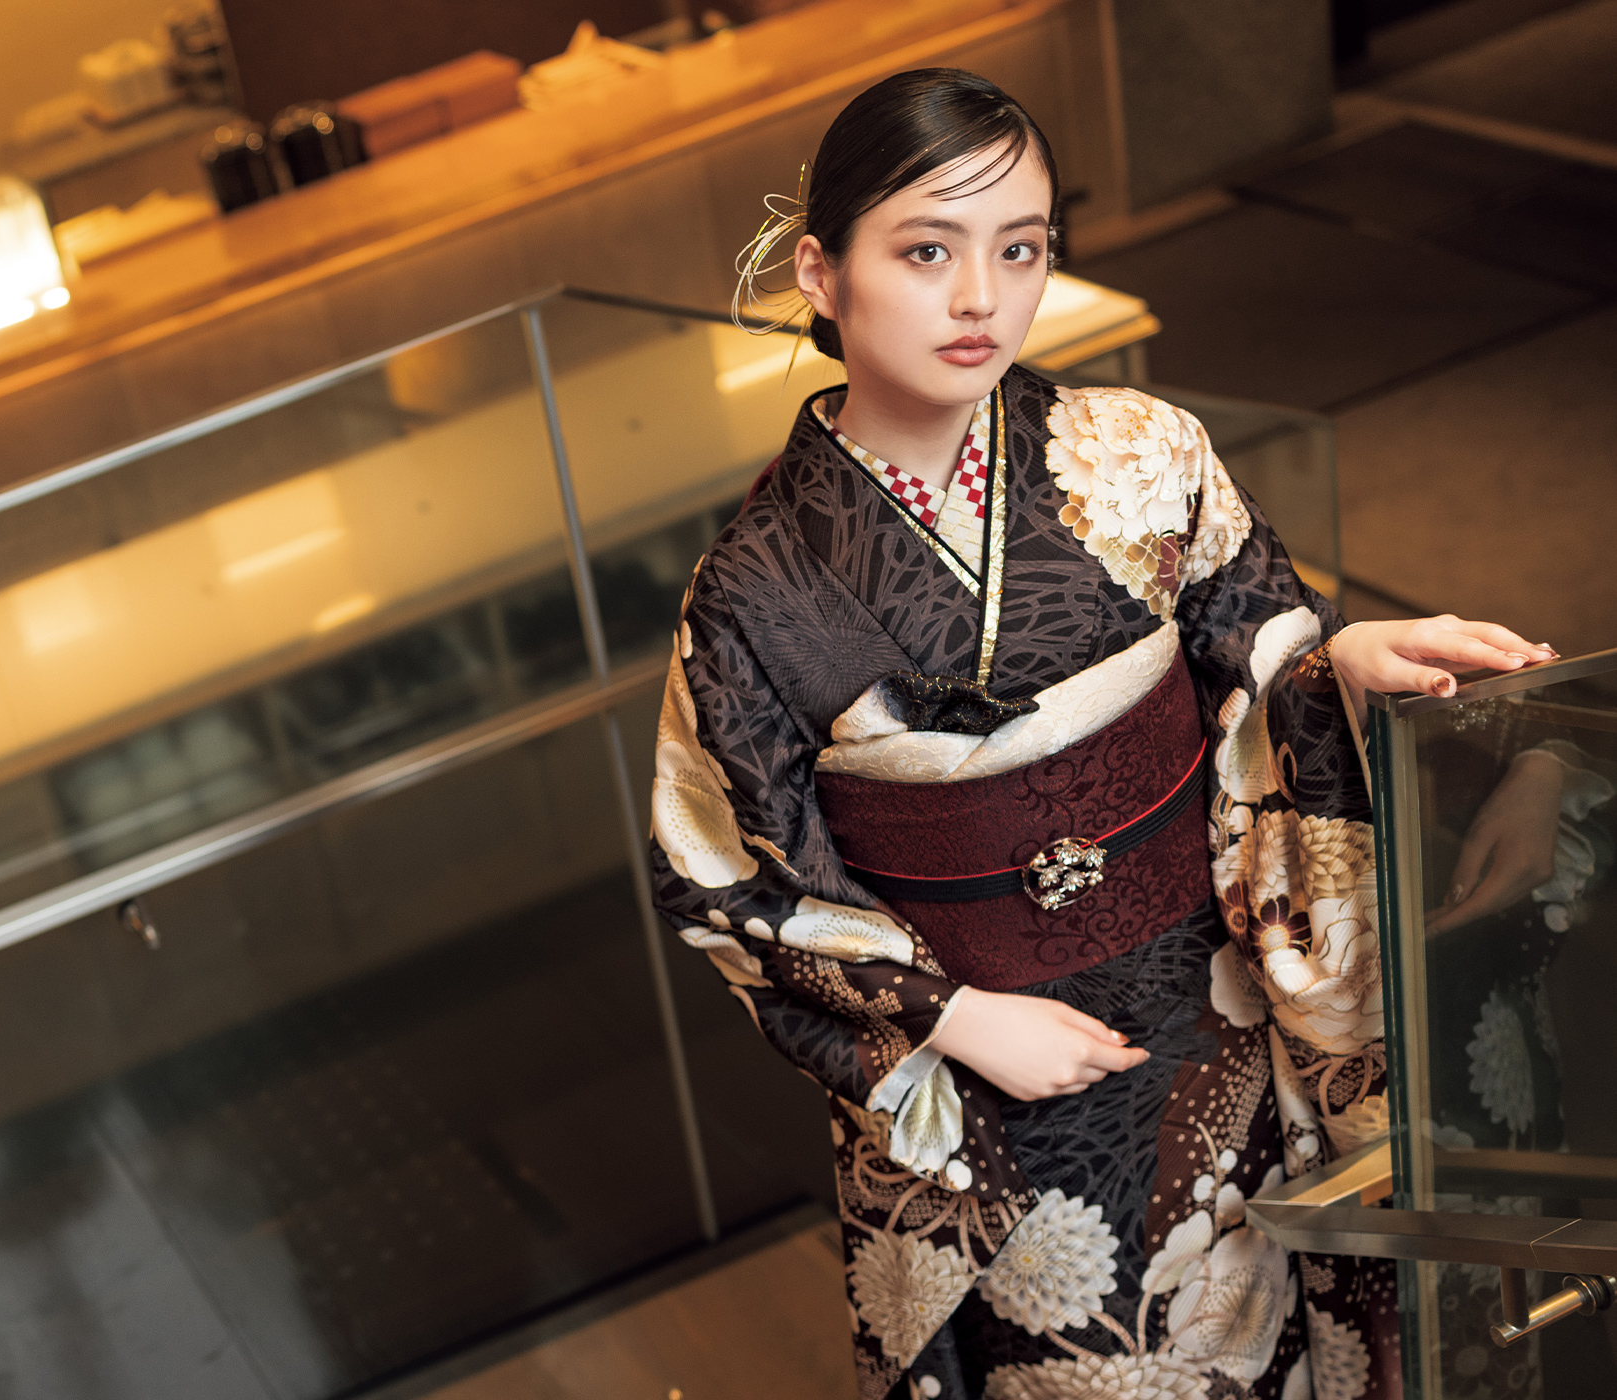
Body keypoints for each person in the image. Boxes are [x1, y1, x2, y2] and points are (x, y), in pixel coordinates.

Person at [649, 67, 1558, 1400]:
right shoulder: (752, 591)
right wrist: (957, 1018)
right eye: (926, 251)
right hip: (1001, 1080)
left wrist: (1342, 664)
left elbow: (1259, 651)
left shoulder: (1143, 452)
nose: (981, 297)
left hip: (1227, 1000)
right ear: (821, 273)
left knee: (1311, 1312)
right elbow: (732, 880)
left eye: (1020, 248)